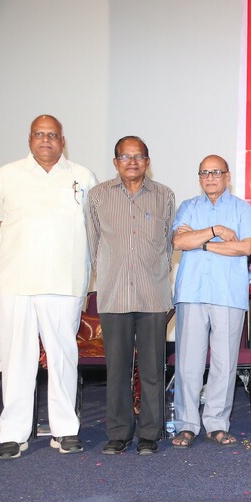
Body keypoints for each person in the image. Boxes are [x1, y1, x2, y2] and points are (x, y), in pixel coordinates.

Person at [0, 115, 97, 459]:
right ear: (29, 139)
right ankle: (13, 433)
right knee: (16, 359)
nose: (46, 140)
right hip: (16, 282)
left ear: (62, 141)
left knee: (64, 357)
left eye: (52, 135)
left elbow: (94, 231)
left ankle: (65, 431)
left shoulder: (82, 177)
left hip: (64, 283)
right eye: (39, 134)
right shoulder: (5, 176)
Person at [87, 136, 174, 456]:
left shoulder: (164, 196)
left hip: (152, 295)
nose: (132, 162)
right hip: (114, 295)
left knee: (152, 369)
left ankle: (150, 433)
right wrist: (108, 276)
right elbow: (93, 244)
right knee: (118, 369)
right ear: (115, 162)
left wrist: (157, 279)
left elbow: (167, 247)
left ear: (148, 161)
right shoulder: (98, 196)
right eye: (125, 156)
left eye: (139, 156)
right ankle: (119, 433)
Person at [170, 155, 251, 449]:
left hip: (228, 295)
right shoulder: (188, 207)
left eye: (216, 172)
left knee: (224, 363)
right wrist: (217, 232)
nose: (210, 177)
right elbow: (179, 243)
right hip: (192, 294)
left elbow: (245, 247)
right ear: (199, 178)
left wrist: (203, 243)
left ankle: (217, 425)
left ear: (227, 176)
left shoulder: (242, 209)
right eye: (204, 173)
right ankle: (186, 425)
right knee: (188, 362)